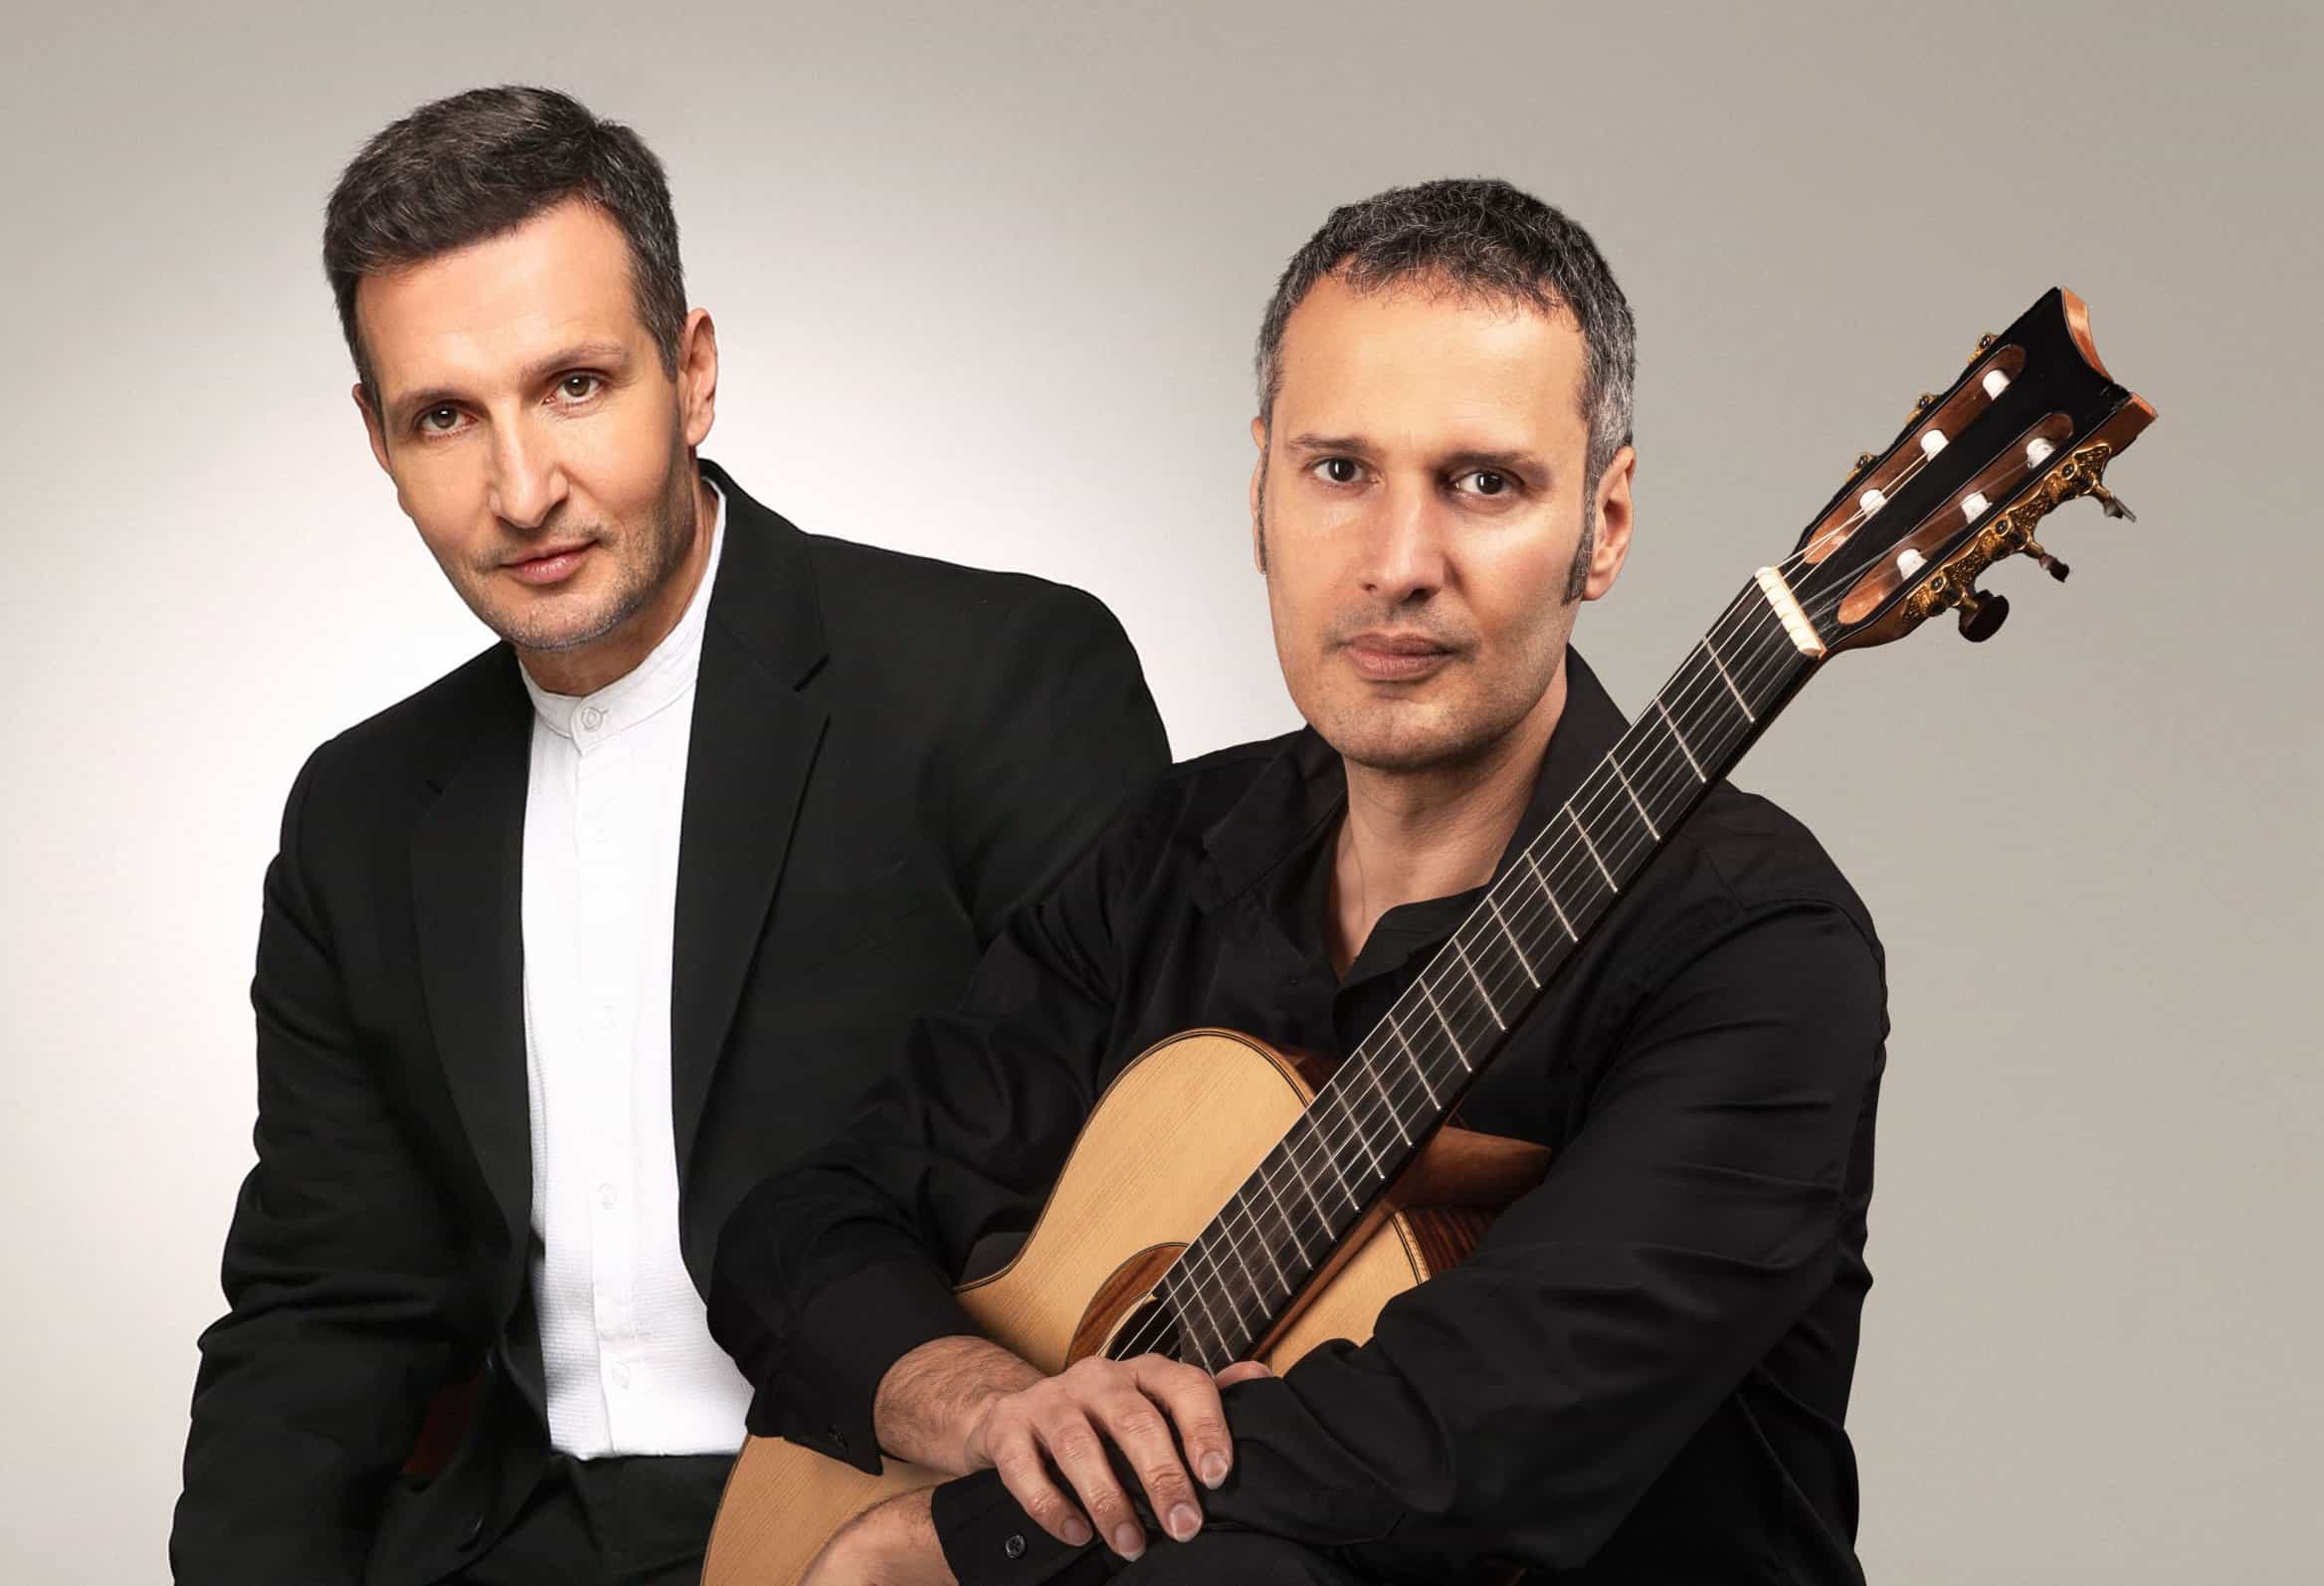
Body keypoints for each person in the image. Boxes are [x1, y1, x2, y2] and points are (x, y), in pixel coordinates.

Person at [708, 178, 1887, 1585]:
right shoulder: (1177, 851)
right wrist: (994, 1412)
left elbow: (1470, 1438)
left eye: (1485, 483)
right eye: (1340, 471)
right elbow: (803, 1227)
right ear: (1260, 492)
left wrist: (967, 1538)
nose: (1397, 564)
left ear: (1607, 522)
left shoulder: (1759, 945)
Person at [168, 86, 1170, 1586]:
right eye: (445, 416)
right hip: (512, 1541)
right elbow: (327, 1306)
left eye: (574, 384)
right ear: (377, 440)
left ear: (692, 372)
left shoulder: (997, 681)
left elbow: (1162, 1193)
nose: (523, 491)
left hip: (912, 1527)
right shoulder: (361, 815)